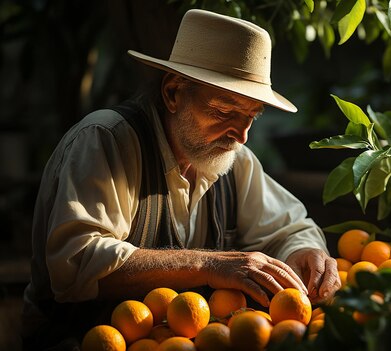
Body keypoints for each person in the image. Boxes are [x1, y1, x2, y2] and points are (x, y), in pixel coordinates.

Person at [21, 9, 340, 350]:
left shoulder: (234, 159)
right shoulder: (106, 140)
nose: (242, 135)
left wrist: (306, 252)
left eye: (251, 116)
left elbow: (291, 227)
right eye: (224, 111)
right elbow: (76, 262)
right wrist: (207, 264)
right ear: (173, 92)